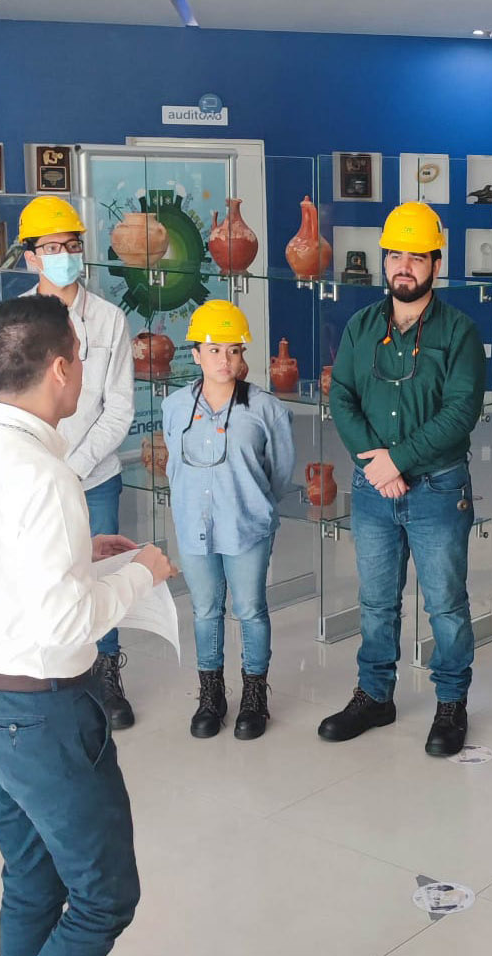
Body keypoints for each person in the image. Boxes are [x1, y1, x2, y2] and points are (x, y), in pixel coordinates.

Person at [0, 295, 175, 956]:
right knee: (103, 898)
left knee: (31, 885)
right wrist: (141, 572)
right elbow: (66, 623)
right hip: (39, 722)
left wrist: (78, 561)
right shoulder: (48, 476)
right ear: (62, 369)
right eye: (81, 356)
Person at [319, 202, 487, 755]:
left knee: (444, 603)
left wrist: (399, 461)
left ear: (436, 264)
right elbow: (341, 394)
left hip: (438, 489)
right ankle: (375, 696)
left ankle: (450, 704)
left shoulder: (459, 331)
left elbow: (461, 411)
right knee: (376, 601)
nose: (404, 266)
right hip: (374, 489)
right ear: (385, 261)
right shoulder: (362, 326)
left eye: (417, 256)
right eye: (396, 255)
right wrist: (375, 461)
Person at [0, 195, 137, 729]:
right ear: (29, 256)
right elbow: (0, 404)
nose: (62, 256)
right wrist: (44, 470)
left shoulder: (109, 319)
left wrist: (72, 467)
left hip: (95, 477)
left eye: (70, 246)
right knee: (45, 570)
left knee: (101, 572)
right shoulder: (12, 322)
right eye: (50, 247)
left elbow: (119, 408)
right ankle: (51, 672)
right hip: (31, 477)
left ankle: (106, 677)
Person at [162, 300, 294, 741]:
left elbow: (279, 471)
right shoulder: (176, 407)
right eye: (215, 350)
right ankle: (211, 695)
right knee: (204, 610)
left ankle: (255, 695)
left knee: (251, 609)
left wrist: (252, 505)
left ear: (244, 356)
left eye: (234, 351)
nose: (225, 360)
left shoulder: (266, 408)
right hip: (194, 525)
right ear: (195, 354)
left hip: (247, 525)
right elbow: (173, 466)